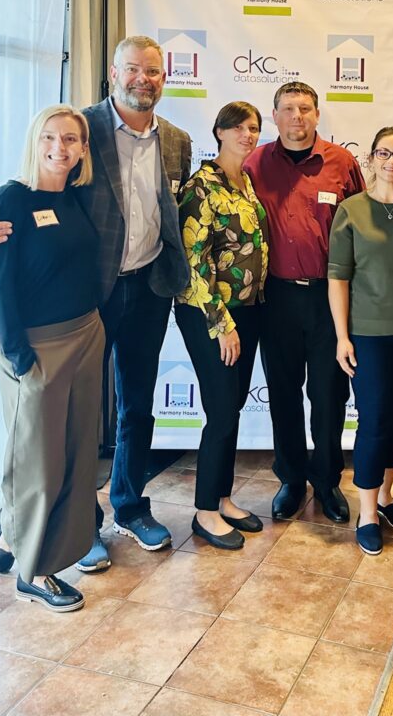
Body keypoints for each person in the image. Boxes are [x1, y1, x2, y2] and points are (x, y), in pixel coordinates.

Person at [0, 36, 191, 569]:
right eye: (132, 69)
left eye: (153, 71)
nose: (143, 79)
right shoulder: (82, 128)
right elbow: (34, 180)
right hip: (90, 295)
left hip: (150, 287)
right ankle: (79, 524)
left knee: (138, 402)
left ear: (165, 78)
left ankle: (130, 505)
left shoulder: (178, 140)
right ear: (113, 73)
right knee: (78, 413)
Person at [0, 105, 104, 612]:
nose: (61, 148)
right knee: (39, 462)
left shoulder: (76, 197)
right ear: (35, 141)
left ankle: (22, 535)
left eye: (72, 139)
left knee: (76, 457)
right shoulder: (8, 201)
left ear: (82, 149)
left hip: (86, 336)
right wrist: (16, 353)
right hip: (37, 348)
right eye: (50, 138)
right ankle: (35, 571)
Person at [245, 81, 365, 523]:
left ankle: (328, 481)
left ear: (317, 115)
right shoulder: (255, 163)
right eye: (288, 109)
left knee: (329, 394)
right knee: (283, 393)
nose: (297, 116)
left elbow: (362, 230)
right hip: (274, 298)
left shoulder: (342, 163)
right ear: (274, 116)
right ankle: (291, 479)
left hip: (328, 298)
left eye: (305, 109)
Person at [328, 127, 393, 555]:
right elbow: (338, 277)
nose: (392, 161)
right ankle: (367, 512)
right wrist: (341, 336)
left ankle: (386, 498)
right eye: (384, 153)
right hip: (368, 335)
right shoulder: (351, 210)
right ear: (370, 158)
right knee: (373, 421)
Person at [175, 101, 268, 550]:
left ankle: (223, 496)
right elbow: (194, 264)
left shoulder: (246, 182)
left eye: (253, 128)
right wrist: (221, 324)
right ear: (219, 132)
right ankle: (204, 512)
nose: (247, 135)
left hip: (248, 311)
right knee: (219, 411)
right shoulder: (201, 186)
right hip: (208, 314)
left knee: (230, 407)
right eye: (238, 128)